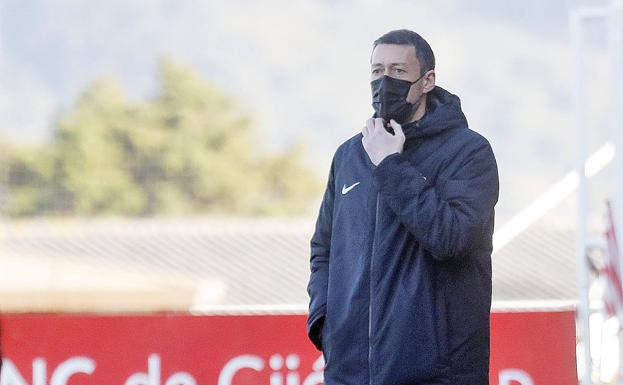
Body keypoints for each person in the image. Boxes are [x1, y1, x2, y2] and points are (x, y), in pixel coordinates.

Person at [306, 29, 499, 385]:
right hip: (350, 371)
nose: (384, 81)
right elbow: (324, 250)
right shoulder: (350, 155)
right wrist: (325, 322)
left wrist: (391, 166)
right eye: (377, 71)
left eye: (397, 71)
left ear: (427, 80)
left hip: (438, 374)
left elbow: (451, 238)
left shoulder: (469, 152)